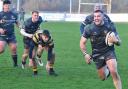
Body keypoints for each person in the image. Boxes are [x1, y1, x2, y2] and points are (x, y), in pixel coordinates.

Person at [80, 10, 122, 89]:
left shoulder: (110, 26)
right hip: (97, 54)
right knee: (103, 77)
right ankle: (107, 71)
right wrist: (85, 54)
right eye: (95, 16)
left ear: (103, 17)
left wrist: (116, 41)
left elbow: (119, 42)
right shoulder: (89, 28)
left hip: (109, 51)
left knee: (114, 71)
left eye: (98, 16)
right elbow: (82, 42)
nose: (96, 18)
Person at [0, 0, 19, 67]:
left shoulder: (13, 14)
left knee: (14, 48)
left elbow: (17, 22)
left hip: (11, 35)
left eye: (9, 5)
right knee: (1, 49)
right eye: (6, 5)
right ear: (3, 6)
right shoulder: (0, 14)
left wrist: (19, 26)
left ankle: (15, 64)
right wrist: (0, 29)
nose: (8, 6)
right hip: (2, 36)